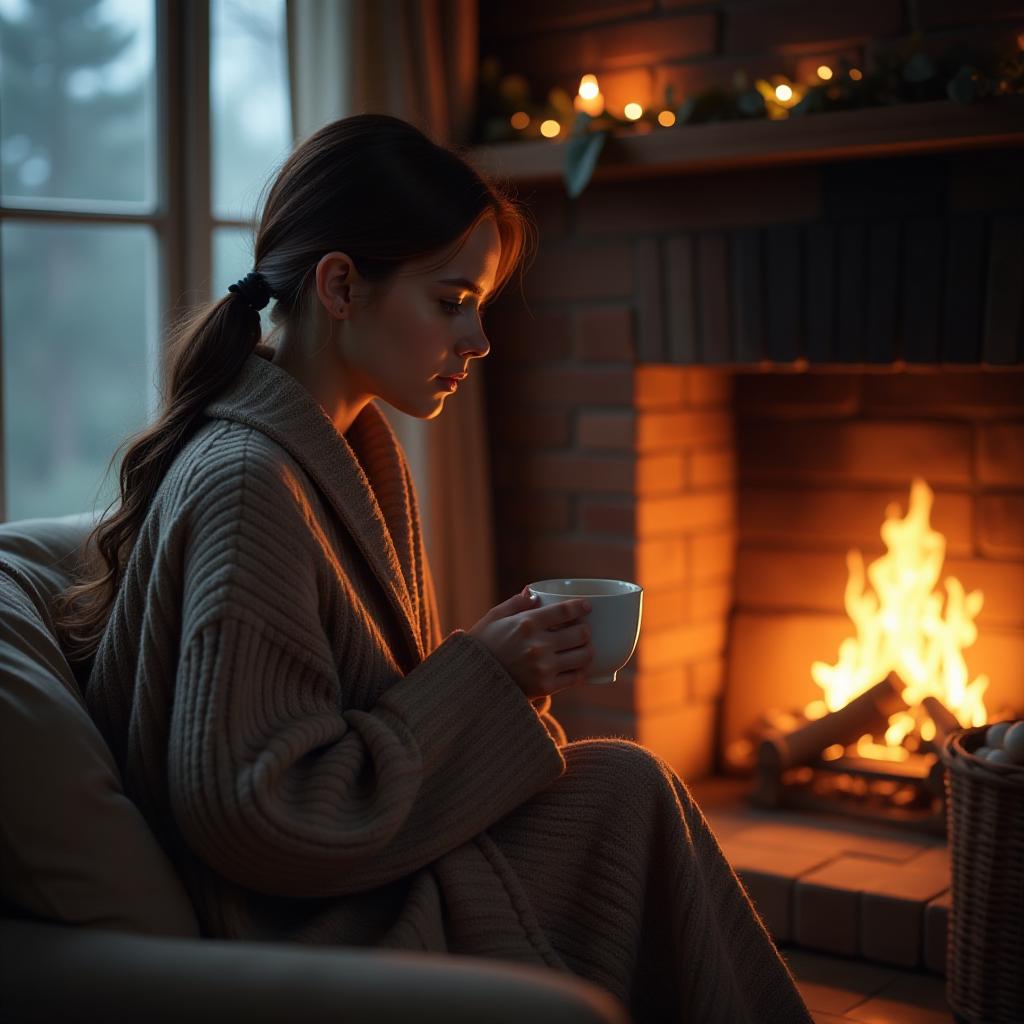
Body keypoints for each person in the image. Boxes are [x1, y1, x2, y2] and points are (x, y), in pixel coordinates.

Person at [55, 113, 811, 1023]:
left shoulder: (345, 452)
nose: (479, 341)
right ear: (340, 285)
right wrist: (483, 675)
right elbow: (252, 809)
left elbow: (351, 717)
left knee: (625, 784)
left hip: (357, 867)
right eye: (452, 300)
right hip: (299, 917)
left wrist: (490, 668)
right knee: (626, 797)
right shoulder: (249, 484)